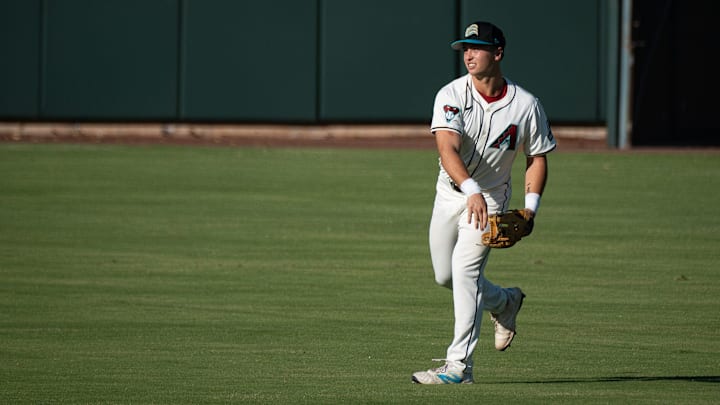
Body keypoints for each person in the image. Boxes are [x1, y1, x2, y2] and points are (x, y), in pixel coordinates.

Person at [412, 21, 556, 384]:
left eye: (476, 47)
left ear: (498, 53)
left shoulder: (525, 105)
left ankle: (459, 367)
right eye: (465, 48)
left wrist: (531, 209)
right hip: (452, 193)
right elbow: (447, 149)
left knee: (465, 272)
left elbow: (537, 157)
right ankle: (505, 302)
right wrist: (470, 188)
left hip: (491, 199)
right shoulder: (451, 94)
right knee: (444, 275)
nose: (469, 55)